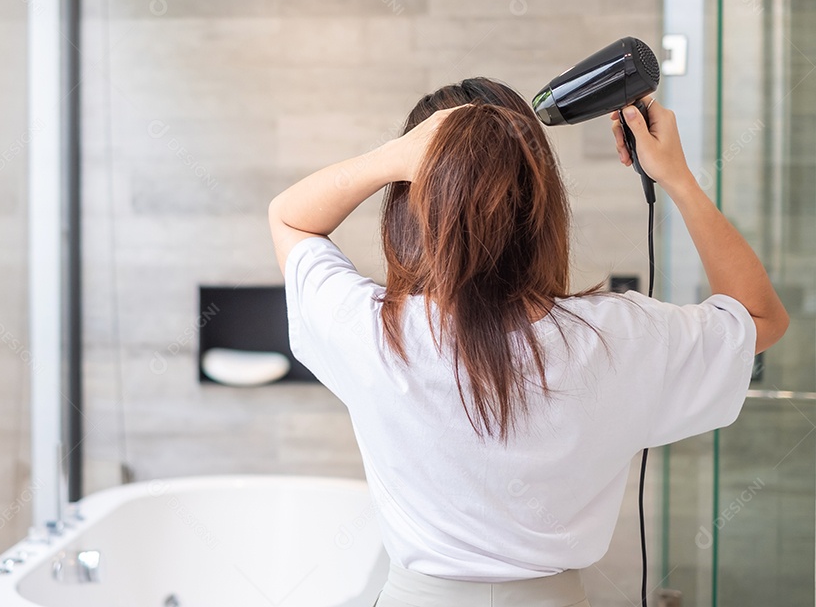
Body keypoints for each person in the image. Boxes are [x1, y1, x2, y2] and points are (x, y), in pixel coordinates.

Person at [267, 78, 789, 607]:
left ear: (411, 204)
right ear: (542, 200)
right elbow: (761, 316)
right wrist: (676, 177)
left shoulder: (374, 332)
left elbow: (290, 219)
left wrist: (391, 158)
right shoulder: (617, 338)